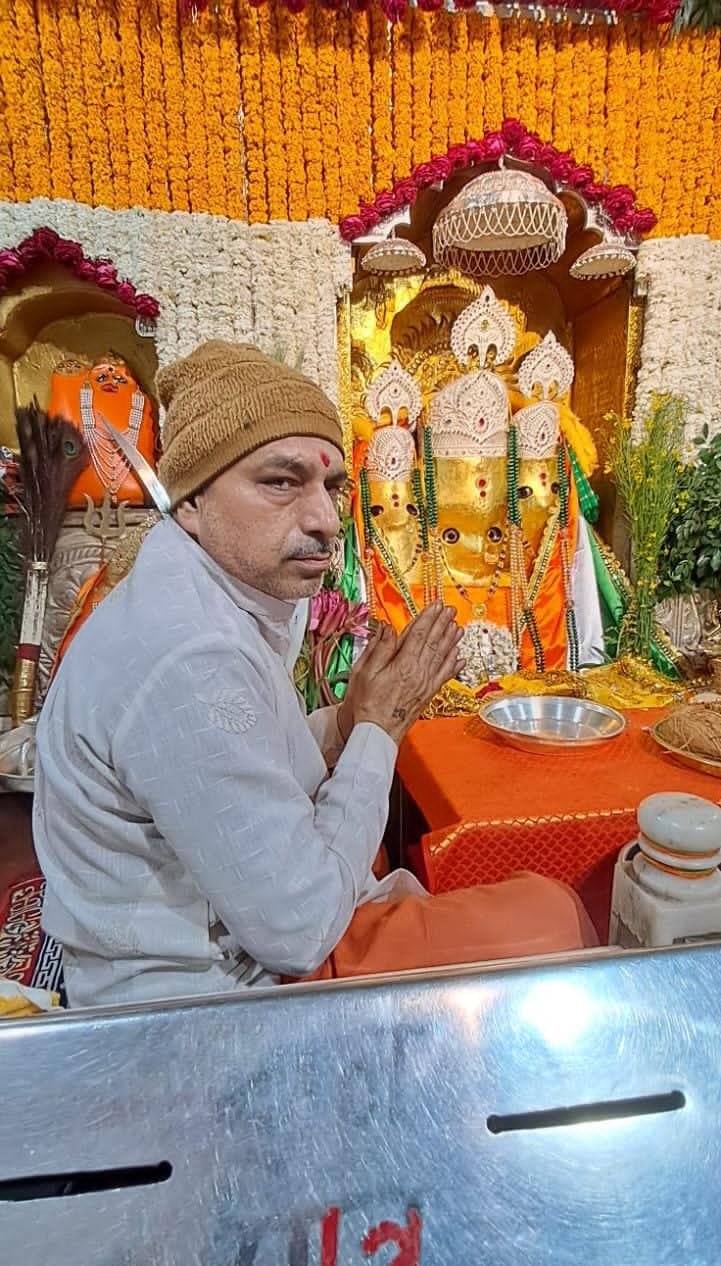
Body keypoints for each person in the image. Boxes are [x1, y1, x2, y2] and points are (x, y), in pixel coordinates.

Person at [33, 342, 596, 1008]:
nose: (326, 522)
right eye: (281, 482)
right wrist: (380, 729)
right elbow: (297, 934)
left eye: (331, 488)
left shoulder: (209, 595)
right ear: (190, 502)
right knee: (554, 918)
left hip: (250, 935)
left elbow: (247, 755)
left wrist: (348, 722)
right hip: (209, 996)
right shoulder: (188, 653)